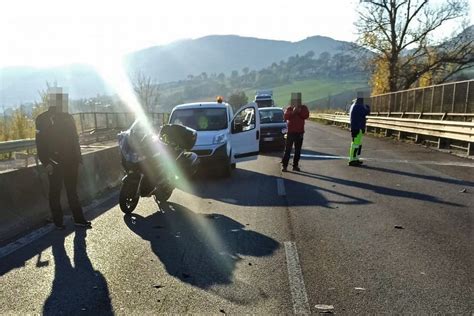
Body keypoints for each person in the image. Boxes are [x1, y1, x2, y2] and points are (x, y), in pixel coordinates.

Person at [35, 88, 91, 229]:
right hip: (54, 162)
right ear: (54, 102)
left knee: (72, 191)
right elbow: (40, 144)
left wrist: (78, 158)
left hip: (71, 161)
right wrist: (46, 162)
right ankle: (58, 222)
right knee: (55, 192)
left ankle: (79, 219)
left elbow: (75, 138)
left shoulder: (68, 117)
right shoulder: (42, 119)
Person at [281, 92, 309, 172]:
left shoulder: (303, 108)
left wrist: (299, 111)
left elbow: (306, 116)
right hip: (291, 132)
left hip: (299, 132)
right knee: (288, 150)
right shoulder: (289, 108)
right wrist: (293, 112)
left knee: (298, 150)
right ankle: (284, 166)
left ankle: (295, 166)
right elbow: (285, 116)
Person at [348, 95, 371, 166]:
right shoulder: (359, 106)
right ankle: (352, 159)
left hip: (355, 127)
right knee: (355, 144)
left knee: (356, 144)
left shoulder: (353, 105)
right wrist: (367, 106)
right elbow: (367, 111)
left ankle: (355, 158)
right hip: (358, 127)